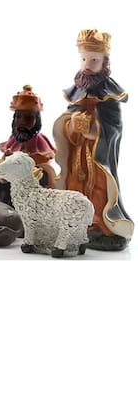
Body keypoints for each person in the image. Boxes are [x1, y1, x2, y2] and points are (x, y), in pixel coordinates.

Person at [53, 29, 133, 251]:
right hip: (77, 154)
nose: (87, 66)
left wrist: (94, 131)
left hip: (98, 158)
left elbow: (114, 127)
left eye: (94, 60)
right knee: (75, 186)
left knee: (99, 189)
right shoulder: (78, 92)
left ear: (104, 63)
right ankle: (77, 224)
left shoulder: (110, 96)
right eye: (83, 59)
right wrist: (71, 125)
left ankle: (100, 224)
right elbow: (65, 124)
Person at [0, 85, 56, 205]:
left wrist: (30, 159)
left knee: (46, 171)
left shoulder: (39, 139)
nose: (22, 122)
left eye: (28, 118)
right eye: (18, 117)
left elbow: (45, 156)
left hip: (31, 170)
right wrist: (8, 156)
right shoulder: (15, 138)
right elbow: (8, 153)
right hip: (13, 169)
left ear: (36, 120)